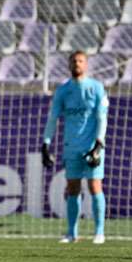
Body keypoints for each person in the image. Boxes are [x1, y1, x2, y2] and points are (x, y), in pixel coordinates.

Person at [42, 50, 109, 245]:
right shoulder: (63, 91)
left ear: (86, 65)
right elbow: (53, 119)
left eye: (80, 61)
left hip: (92, 146)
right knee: (72, 188)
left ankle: (99, 232)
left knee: (95, 185)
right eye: (73, 61)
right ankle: (72, 233)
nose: (77, 64)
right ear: (69, 65)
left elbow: (101, 117)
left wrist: (99, 142)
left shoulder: (96, 88)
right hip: (71, 146)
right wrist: (46, 143)